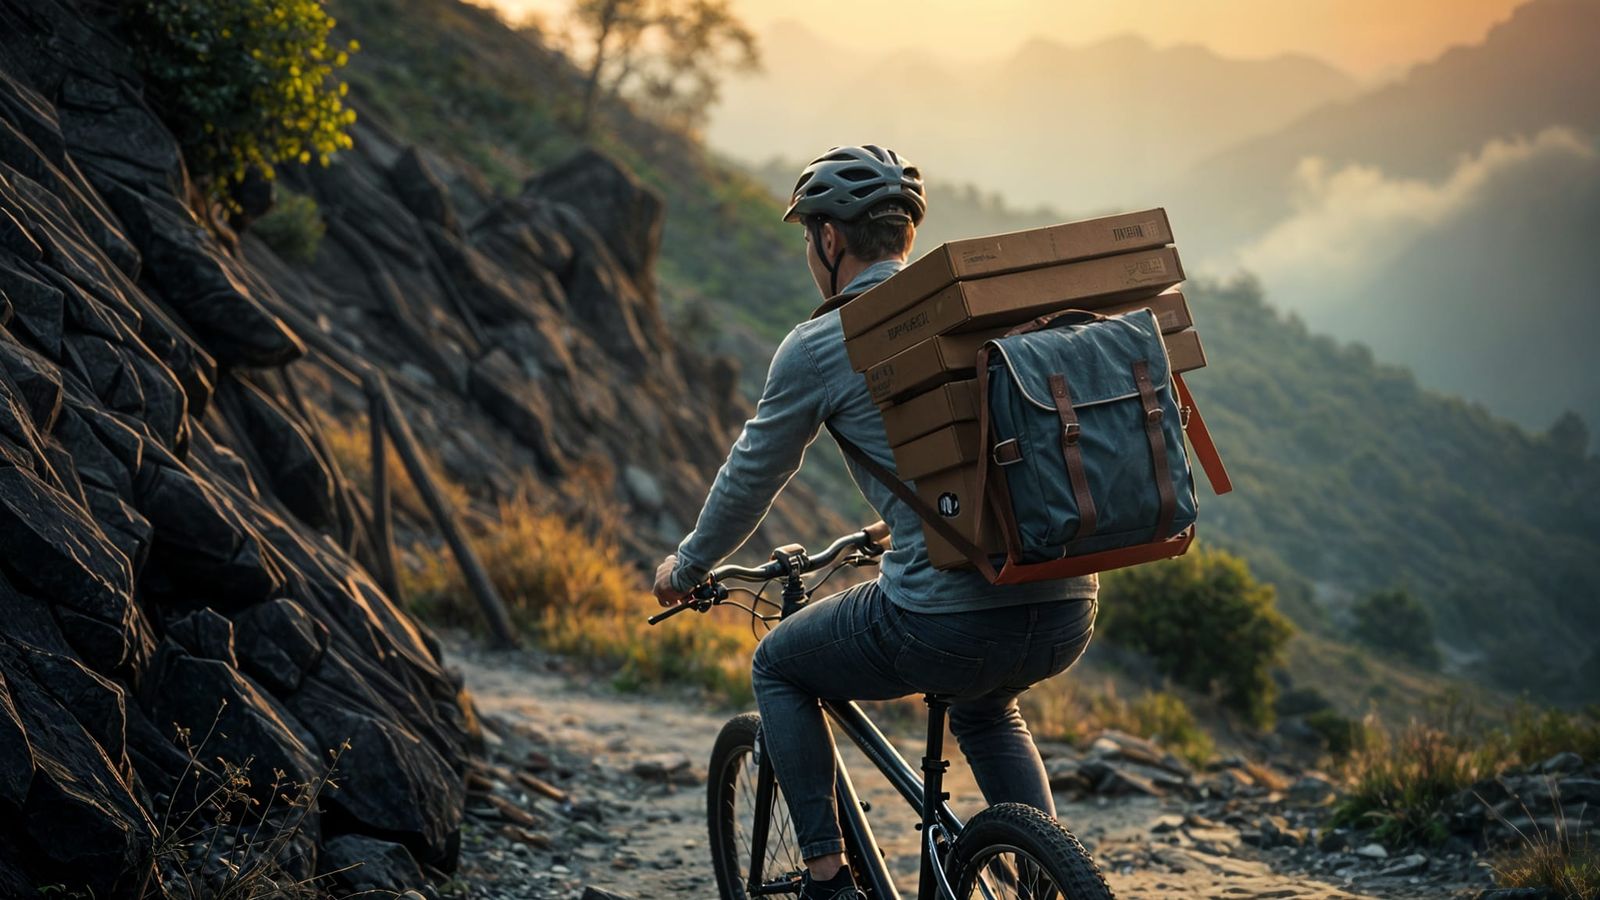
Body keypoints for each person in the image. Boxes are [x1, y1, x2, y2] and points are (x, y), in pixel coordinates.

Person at [652, 145, 1098, 900]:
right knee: (988, 708)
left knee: (779, 666)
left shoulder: (824, 342)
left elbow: (752, 476)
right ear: (906, 238)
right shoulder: (984, 316)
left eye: (808, 239)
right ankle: (1043, 883)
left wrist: (687, 565)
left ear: (830, 241)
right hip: (1064, 602)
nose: (809, 252)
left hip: (944, 621)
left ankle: (827, 880)